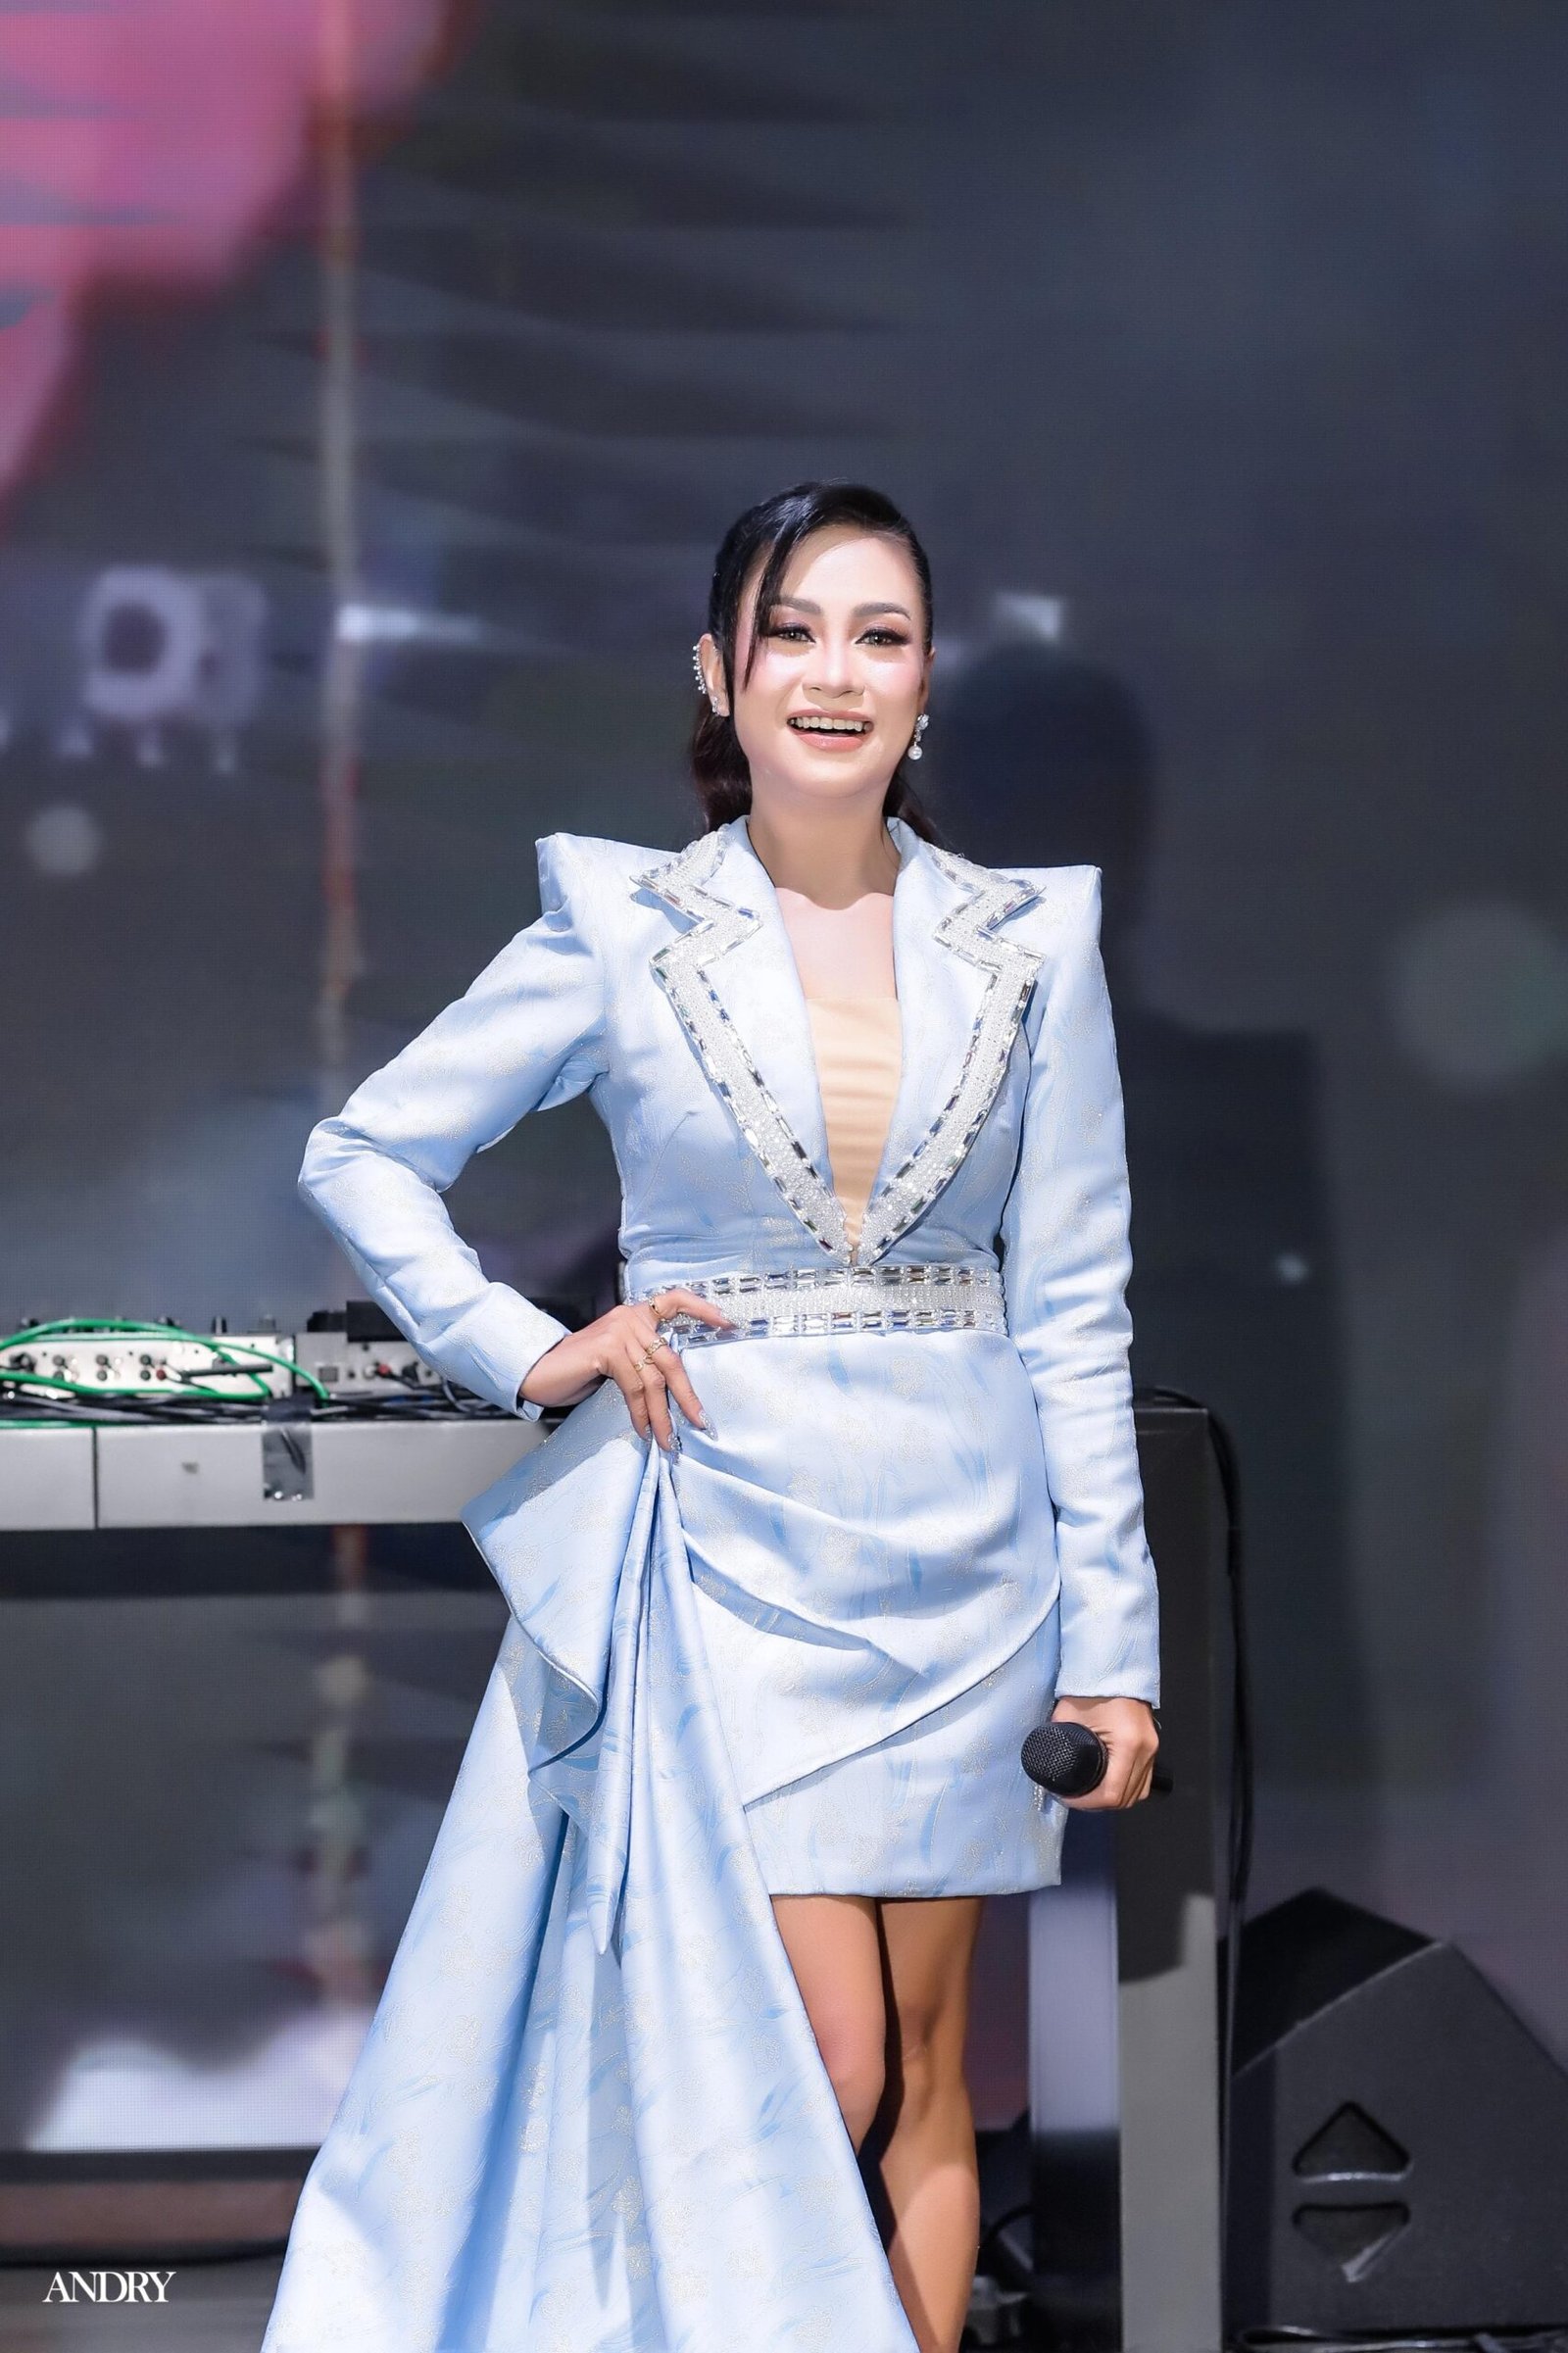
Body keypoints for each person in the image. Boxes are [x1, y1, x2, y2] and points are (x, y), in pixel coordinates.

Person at [260, 481, 1161, 2353]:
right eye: (794, 631)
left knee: (930, 2078)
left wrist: (1115, 1658)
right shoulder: (626, 923)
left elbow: (1077, 1314)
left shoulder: (1028, 943)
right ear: (718, 670)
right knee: (818, 2064)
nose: (837, 671)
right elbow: (367, 1150)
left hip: (973, 1569)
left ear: (926, 681)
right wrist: (530, 1345)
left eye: (881, 634)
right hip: (735, 1550)